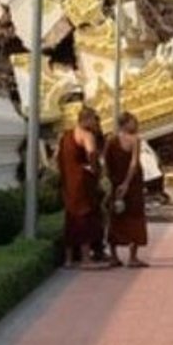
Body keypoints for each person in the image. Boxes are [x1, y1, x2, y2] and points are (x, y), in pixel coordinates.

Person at [58, 106, 110, 269]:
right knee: (86, 217)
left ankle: (68, 259)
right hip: (83, 181)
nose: (96, 124)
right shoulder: (87, 135)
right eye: (95, 120)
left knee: (71, 217)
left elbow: (57, 157)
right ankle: (86, 258)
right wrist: (96, 171)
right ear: (87, 120)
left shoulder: (66, 135)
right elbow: (92, 154)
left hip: (69, 180)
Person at [104, 111, 149, 267]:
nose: (136, 125)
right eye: (133, 122)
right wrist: (127, 183)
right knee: (134, 217)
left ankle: (114, 255)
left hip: (117, 183)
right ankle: (132, 257)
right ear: (125, 124)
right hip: (131, 183)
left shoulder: (111, 140)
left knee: (117, 217)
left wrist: (114, 183)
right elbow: (134, 163)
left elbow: (106, 164)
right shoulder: (135, 140)